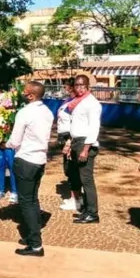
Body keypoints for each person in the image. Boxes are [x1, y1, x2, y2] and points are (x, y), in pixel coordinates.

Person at [6, 82, 54, 257]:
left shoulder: (25, 112)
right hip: (39, 160)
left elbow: (15, 140)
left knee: (26, 202)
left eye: (25, 92)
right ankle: (32, 235)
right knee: (32, 199)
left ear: (31, 96)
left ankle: (35, 245)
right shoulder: (47, 112)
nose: (22, 94)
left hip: (26, 160)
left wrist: (4, 143)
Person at [67, 74, 102, 224]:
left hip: (85, 143)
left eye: (82, 85)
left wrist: (86, 148)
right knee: (80, 178)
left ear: (88, 86)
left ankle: (93, 213)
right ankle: (86, 210)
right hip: (77, 142)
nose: (79, 88)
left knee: (87, 180)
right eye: (77, 85)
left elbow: (94, 127)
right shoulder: (78, 102)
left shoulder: (92, 103)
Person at [56, 80, 81, 211]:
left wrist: (70, 141)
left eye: (65, 85)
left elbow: (75, 122)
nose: (64, 87)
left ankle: (76, 199)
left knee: (72, 169)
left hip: (69, 137)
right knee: (68, 168)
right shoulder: (67, 100)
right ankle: (76, 196)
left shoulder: (75, 102)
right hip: (63, 136)